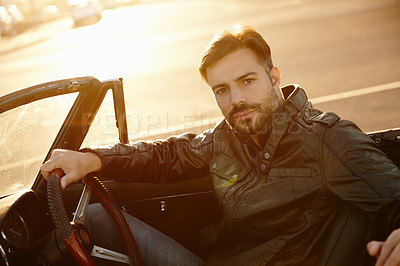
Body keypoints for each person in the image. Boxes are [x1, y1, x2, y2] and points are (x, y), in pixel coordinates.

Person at [41, 24, 400, 265]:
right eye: (222, 90)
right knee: (96, 217)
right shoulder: (230, 136)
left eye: (247, 81)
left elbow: (393, 194)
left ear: (275, 77)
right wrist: (92, 159)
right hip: (221, 257)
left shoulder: (328, 138)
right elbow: (171, 155)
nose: (237, 100)